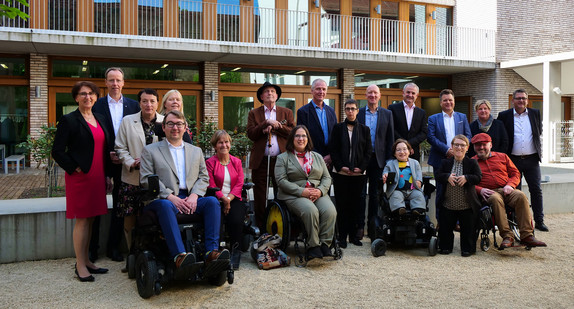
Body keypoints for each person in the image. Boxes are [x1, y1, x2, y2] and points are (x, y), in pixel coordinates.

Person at [139, 110, 229, 272]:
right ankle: (180, 256)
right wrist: (171, 197)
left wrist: (194, 196)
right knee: (165, 206)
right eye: (171, 124)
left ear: (185, 128)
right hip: (163, 200)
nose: (175, 127)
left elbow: (204, 178)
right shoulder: (150, 150)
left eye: (179, 124)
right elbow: (146, 178)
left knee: (212, 202)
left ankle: (211, 252)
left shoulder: (196, 151)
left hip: (190, 198)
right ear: (164, 127)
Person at [52, 81, 113, 282]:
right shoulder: (69, 120)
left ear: (96, 97)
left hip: (97, 175)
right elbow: (57, 151)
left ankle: (86, 260)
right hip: (80, 177)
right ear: (76, 97)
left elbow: (104, 148)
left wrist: (108, 175)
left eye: (91, 94)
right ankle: (79, 265)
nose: (88, 97)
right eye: (83, 94)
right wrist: (74, 167)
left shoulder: (100, 117)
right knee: (82, 220)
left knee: (92, 219)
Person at [91, 67, 140, 262]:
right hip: (101, 162)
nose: (115, 84)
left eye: (118, 80)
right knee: (95, 207)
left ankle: (113, 247)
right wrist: (107, 154)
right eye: (111, 80)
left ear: (123, 82)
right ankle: (92, 250)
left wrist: (124, 155)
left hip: (125, 163)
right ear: (105, 82)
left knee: (121, 207)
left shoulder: (134, 105)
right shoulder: (97, 105)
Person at [471, 133, 546, 248]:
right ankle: (507, 236)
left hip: (506, 189)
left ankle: (527, 236)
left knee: (520, 195)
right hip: (489, 193)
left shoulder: (502, 157)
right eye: (477, 145)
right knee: (495, 199)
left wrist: (510, 185)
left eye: (484, 144)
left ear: (490, 145)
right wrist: (480, 190)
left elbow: (515, 173)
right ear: (474, 147)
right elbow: (468, 182)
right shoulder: (471, 162)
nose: (481, 147)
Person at [275, 125, 337, 260]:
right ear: (292, 139)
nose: (301, 139)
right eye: (297, 136)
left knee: (330, 210)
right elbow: (281, 181)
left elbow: (327, 177)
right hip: (294, 194)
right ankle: (313, 246)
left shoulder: (318, 157)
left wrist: (320, 191)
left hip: (317, 192)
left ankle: (325, 244)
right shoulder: (283, 158)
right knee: (310, 210)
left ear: (308, 139)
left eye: (303, 136)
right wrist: (302, 191)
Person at [114, 88, 164, 254]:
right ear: (139, 103)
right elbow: (120, 147)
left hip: (158, 180)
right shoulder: (128, 121)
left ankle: (152, 254)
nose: (148, 104)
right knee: (130, 218)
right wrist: (131, 162)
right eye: (144, 101)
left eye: (152, 101)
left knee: (153, 218)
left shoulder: (165, 122)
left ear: (158, 103)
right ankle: (132, 255)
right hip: (132, 178)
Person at [497, 89, 547, 232]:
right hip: (512, 160)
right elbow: (502, 135)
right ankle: (514, 222)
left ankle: (539, 221)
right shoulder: (504, 116)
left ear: (527, 100)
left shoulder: (535, 113)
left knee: (536, 190)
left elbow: (539, 131)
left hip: (532, 159)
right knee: (514, 192)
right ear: (512, 100)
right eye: (518, 98)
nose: (521, 101)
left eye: (524, 98)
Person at [246, 82, 294, 229]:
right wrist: (264, 125)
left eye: (273, 91)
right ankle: (261, 228)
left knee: (282, 193)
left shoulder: (286, 112)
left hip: (280, 160)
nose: (270, 93)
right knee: (260, 196)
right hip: (261, 161)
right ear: (261, 96)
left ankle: (281, 226)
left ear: (277, 95)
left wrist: (278, 126)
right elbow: (251, 134)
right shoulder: (254, 113)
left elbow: (292, 132)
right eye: (266, 92)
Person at [330, 99, 371, 248]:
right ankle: (342, 237)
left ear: (357, 111)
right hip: (341, 173)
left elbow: (368, 151)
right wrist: (341, 167)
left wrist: (361, 167)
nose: (350, 111)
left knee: (356, 205)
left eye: (353, 109)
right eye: (348, 109)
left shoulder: (365, 130)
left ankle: (353, 236)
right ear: (344, 111)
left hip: (359, 174)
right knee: (342, 205)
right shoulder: (338, 128)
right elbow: (333, 150)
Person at [427, 89, 471, 220]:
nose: (448, 102)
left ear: (454, 102)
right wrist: (447, 150)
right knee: (441, 191)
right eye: (445, 100)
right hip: (440, 159)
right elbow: (431, 137)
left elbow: (468, 135)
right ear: (441, 102)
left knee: (459, 189)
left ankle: (457, 221)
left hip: (460, 159)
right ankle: (441, 221)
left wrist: (459, 150)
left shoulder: (462, 117)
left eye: (450, 100)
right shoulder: (433, 118)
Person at [357, 84, 394, 240]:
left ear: (379, 95)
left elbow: (390, 139)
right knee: (359, 195)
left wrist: (388, 163)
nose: (372, 95)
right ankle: (359, 227)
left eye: (375, 93)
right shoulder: (358, 113)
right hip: (361, 160)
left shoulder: (387, 114)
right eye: (370, 92)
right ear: (366, 95)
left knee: (374, 195)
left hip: (379, 161)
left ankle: (372, 227)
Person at [206, 130, 247, 270]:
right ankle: (216, 252)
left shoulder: (236, 162)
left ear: (230, 144)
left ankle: (236, 251)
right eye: (220, 142)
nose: (224, 145)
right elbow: (211, 184)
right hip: (215, 199)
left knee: (236, 220)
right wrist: (223, 198)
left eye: (226, 142)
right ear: (215, 146)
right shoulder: (210, 162)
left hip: (234, 198)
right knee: (218, 222)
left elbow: (240, 183)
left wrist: (229, 199)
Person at [436, 135, 482, 256]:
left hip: (466, 205)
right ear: (452, 146)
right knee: (445, 229)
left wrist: (467, 178)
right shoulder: (445, 162)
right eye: (456, 144)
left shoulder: (472, 162)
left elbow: (478, 178)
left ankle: (467, 248)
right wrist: (447, 177)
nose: (459, 147)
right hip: (448, 204)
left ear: (467, 148)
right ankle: (446, 247)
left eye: (462, 145)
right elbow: (438, 175)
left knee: (468, 230)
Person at [296, 79, 337, 165]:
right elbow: (303, 137)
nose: (321, 92)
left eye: (324, 89)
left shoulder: (331, 111)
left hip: (330, 159)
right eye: (318, 89)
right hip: (311, 157)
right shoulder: (303, 112)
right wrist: (318, 157)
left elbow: (335, 135)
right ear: (312, 91)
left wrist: (331, 155)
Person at [382, 139, 425, 216]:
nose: (402, 152)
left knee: (419, 196)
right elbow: (385, 171)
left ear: (409, 151)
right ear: (394, 153)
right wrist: (385, 175)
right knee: (395, 197)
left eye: (404, 149)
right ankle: (400, 209)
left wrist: (419, 180)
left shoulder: (415, 163)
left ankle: (417, 210)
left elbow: (419, 173)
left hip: (412, 189)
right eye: (398, 150)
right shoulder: (390, 163)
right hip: (397, 190)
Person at [388, 82, 428, 162]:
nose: (410, 95)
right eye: (408, 92)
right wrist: (404, 145)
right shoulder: (393, 108)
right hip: (397, 152)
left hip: (413, 152)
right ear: (403, 93)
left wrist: (409, 145)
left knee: (412, 174)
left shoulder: (421, 112)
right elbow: (391, 128)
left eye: (413, 93)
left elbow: (423, 133)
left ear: (416, 95)